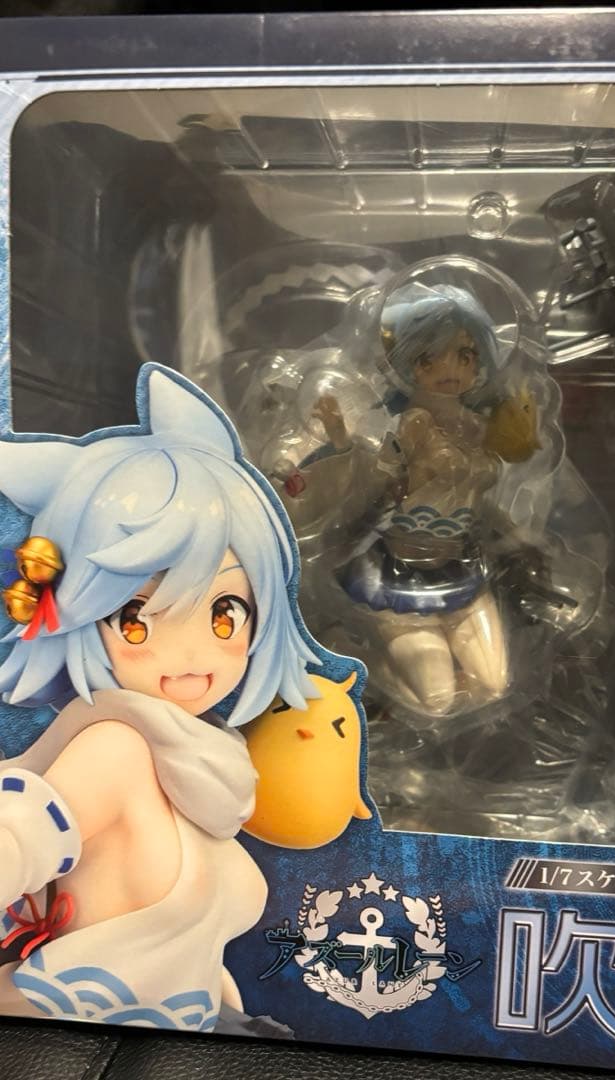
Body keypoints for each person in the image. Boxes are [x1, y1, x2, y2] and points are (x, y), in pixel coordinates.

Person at [0, 365, 323, 1030]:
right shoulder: (115, 748)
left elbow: (186, 942)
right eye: (136, 619)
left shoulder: (202, 767)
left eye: (226, 613)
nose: (192, 663)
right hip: (79, 1025)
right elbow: (17, 839)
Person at [285, 282, 539, 717]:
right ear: (408, 364)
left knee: (493, 686)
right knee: (437, 702)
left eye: (465, 355)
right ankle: (350, 654)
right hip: (398, 575)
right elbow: (375, 479)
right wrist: (341, 440)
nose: (450, 369)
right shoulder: (412, 425)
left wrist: (515, 536)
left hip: (460, 570)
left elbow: (477, 503)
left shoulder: (480, 430)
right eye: (429, 357)